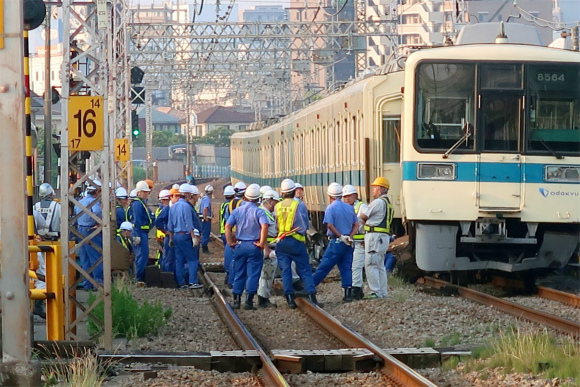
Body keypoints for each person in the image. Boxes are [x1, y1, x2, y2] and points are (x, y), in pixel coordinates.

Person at [275, 178, 319, 308]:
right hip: (297, 242)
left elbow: (276, 225)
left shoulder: (278, 206)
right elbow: (305, 224)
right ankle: (312, 296)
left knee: (286, 270)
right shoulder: (299, 205)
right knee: (305, 269)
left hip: (281, 242)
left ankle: (289, 298)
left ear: (282, 193)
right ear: (294, 191)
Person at [225, 184, 269, 310]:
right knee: (253, 274)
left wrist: (229, 241)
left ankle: (236, 300)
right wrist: (261, 243)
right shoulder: (259, 211)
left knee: (239, 272)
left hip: (240, 245)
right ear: (258, 198)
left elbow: (228, 226)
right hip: (254, 245)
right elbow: (264, 226)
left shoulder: (237, 211)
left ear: (245, 196)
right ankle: (248, 302)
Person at [312, 183, 358, 302]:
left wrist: (341, 236)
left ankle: (310, 287)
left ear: (329, 195)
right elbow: (356, 225)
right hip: (348, 243)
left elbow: (330, 225)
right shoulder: (349, 207)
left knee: (324, 266)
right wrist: (349, 236)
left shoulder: (330, 208)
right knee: (346, 267)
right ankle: (348, 293)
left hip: (336, 242)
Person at [360, 177, 393, 299]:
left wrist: (363, 221)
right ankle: (382, 292)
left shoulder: (378, 202)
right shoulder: (387, 203)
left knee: (371, 263)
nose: (373, 190)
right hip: (383, 237)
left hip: (375, 236)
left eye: (375, 188)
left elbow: (363, 215)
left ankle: (375, 292)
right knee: (380, 265)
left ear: (382, 189)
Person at [168, 184, 203, 289]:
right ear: (187, 194)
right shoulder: (186, 207)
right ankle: (193, 281)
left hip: (176, 236)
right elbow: (188, 224)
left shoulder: (173, 206)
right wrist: (193, 237)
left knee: (179, 260)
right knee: (192, 259)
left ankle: (181, 282)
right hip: (185, 236)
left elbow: (170, 225)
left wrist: (170, 238)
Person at [74, 179, 104, 290]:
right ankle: (98, 284)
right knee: (96, 258)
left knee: (84, 258)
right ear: (97, 191)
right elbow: (96, 212)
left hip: (80, 230)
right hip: (92, 231)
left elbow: (77, 212)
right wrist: (99, 221)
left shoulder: (81, 201)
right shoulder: (94, 202)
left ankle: (87, 284)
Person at [342, 184, 367, 300]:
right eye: (345, 196)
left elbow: (368, 222)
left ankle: (356, 289)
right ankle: (354, 288)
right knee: (350, 266)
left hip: (360, 241)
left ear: (355, 196)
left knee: (356, 266)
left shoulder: (362, 207)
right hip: (350, 242)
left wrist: (367, 238)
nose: (347, 199)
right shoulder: (344, 207)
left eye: (349, 196)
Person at [256, 190, 281, 308]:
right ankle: (262, 299)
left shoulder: (267, 213)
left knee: (268, 273)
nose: (276, 204)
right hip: (267, 248)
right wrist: (266, 249)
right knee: (267, 273)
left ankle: (263, 296)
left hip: (271, 247)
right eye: (275, 202)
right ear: (270, 201)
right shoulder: (263, 213)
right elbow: (262, 232)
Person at [131, 180, 154, 283]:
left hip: (142, 232)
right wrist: (136, 234)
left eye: (147, 192)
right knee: (142, 255)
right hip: (139, 232)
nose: (146, 193)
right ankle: (138, 278)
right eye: (144, 192)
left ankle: (139, 277)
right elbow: (137, 220)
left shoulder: (141, 203)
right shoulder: (137, 204)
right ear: (138, 192)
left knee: (143, 254)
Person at [220, 185, 236, 285]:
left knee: (228, 253)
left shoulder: (223, 205)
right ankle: (230, 276)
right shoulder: (230, 206)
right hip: (228, 232)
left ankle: (228, 275)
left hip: (223, 231)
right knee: (232, 255)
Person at [154, 190, 171, 268]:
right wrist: (165, 231)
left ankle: (162, 269)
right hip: (164, 235)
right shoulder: (166, 209)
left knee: (163, 254)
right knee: (167, 256)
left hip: (160, 234)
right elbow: (158, 222)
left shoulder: (159, 209)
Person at [200, 185, 214, 254]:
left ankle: (204, 247)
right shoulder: (207, 199)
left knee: (204, 233)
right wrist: (205, 218)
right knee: (206, 233)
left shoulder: (203, 198)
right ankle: (204, 248)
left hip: (202, 218)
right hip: (205, 219)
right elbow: (205, 208)